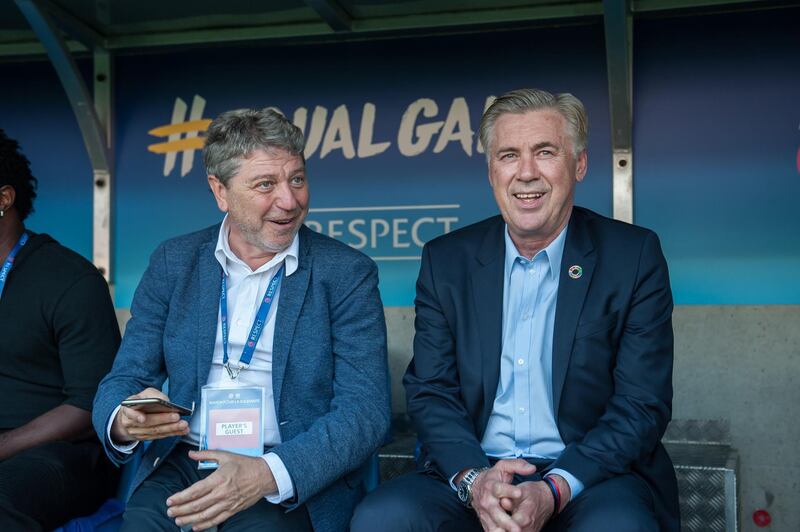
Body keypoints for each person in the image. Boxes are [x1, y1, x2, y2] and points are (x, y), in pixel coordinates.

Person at [352, 88, 679, 531]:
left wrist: (555, 488)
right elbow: (431, 389)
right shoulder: (447, 260)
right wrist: (475, 481)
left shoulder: (632, 256)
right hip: (475, 469)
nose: (526, 173)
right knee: (383, 517)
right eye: (508, 155)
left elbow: (642, 403)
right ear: (491, 171)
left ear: (578, 164)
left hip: (591, 476)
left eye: (545, 152)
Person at [92, 107, 390, 532]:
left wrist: (269, 473)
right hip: (187, 457)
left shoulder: (344, 273)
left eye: (297, 179)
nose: (289, 200)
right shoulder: (174, 263)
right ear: (221, 191)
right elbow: (123, 377)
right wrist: (123, 419)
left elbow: (365, 411)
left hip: (287, 469)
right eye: (266, 184)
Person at [0, 129, 120, 530]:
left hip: (59, 453)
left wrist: (3, 446)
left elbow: (90, 408)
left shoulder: (69, 279)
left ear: (4, 199)